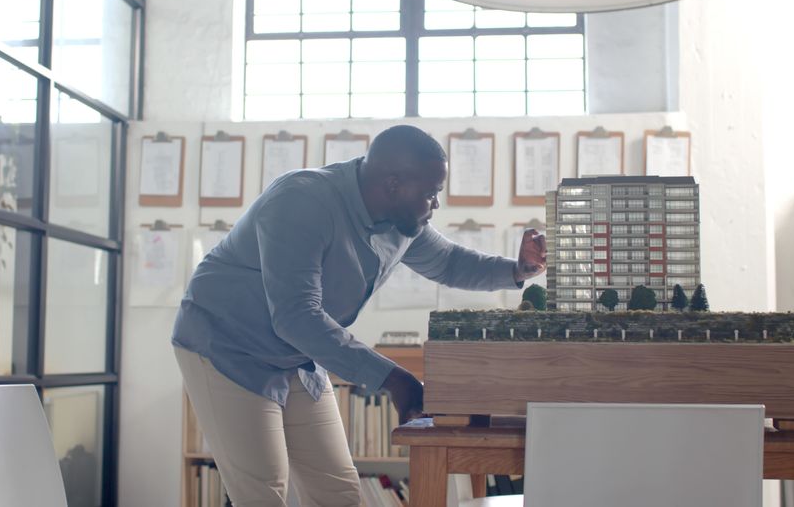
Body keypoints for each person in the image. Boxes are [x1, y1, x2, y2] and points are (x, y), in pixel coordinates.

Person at [171, 124, 547, 506]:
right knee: (264, 491)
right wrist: (396, 379)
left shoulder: (404, 221)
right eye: (431, 193)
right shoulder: (302, 202)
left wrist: (516, 270)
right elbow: (297, 317)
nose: (435, 204)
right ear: (393, 183)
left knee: (336, 490)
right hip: (227, 347)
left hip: (295, 354)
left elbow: (448, 261)